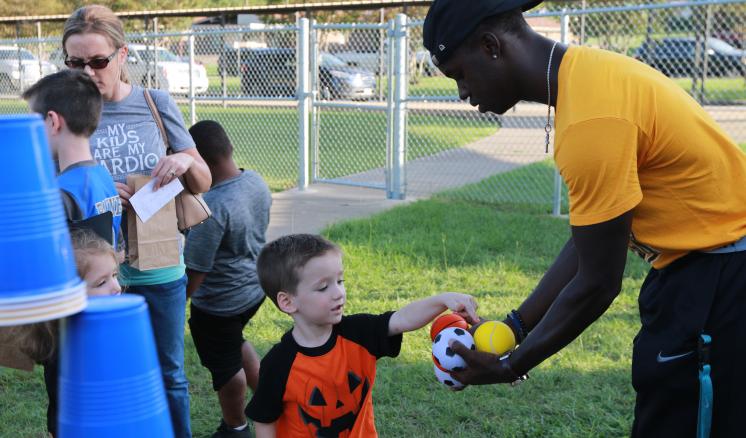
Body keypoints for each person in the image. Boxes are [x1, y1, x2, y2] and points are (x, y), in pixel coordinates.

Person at [422, 1, 746, 436]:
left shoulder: (591, 119)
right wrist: (516, 326)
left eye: (461, 74)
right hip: (696, 269)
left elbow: (598, 283)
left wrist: (511, 365)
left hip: (723, 277)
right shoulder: (585, 75)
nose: (463, 92)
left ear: (491, 46)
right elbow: (591, 237)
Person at [61, 6, 212, 436]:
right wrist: (96, 186)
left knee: (169, 376)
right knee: (102, 374)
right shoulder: (65, 118)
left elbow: (203, 181)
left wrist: (183, 159)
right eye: (74, 63)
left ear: (122, 54)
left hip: (159, 264)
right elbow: (50, 195)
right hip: (93, 272)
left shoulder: (154, 103)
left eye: (98, 61)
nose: (87, 72)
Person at [245, 234, 479, 437]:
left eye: (340, 281)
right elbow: (264, 419)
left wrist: (442, 299)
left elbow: (402, 319)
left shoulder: (358, 333)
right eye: (323, 287)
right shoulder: (279, 364)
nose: (339, 293)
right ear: (288, 301)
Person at [184, 120, 272, 438]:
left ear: (199, 165)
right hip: (254, 289)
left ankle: (236, 428)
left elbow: (196, 269)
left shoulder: (213, 208)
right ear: (230, 148)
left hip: (219, 304)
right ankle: (272, 402)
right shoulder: (255, 181)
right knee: (233, 342)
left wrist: (176, 302)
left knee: (225, 368)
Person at [11, 229, 121, 437]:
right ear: (69, 292)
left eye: (114, 275)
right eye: (101, 282)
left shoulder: (110, 326)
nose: (116, 287)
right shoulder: (66, 341)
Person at [22, 69, 122, 250]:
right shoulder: (104, 178)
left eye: (35, 122)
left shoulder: (61, 192)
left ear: (53, 121)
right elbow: (119, 253)